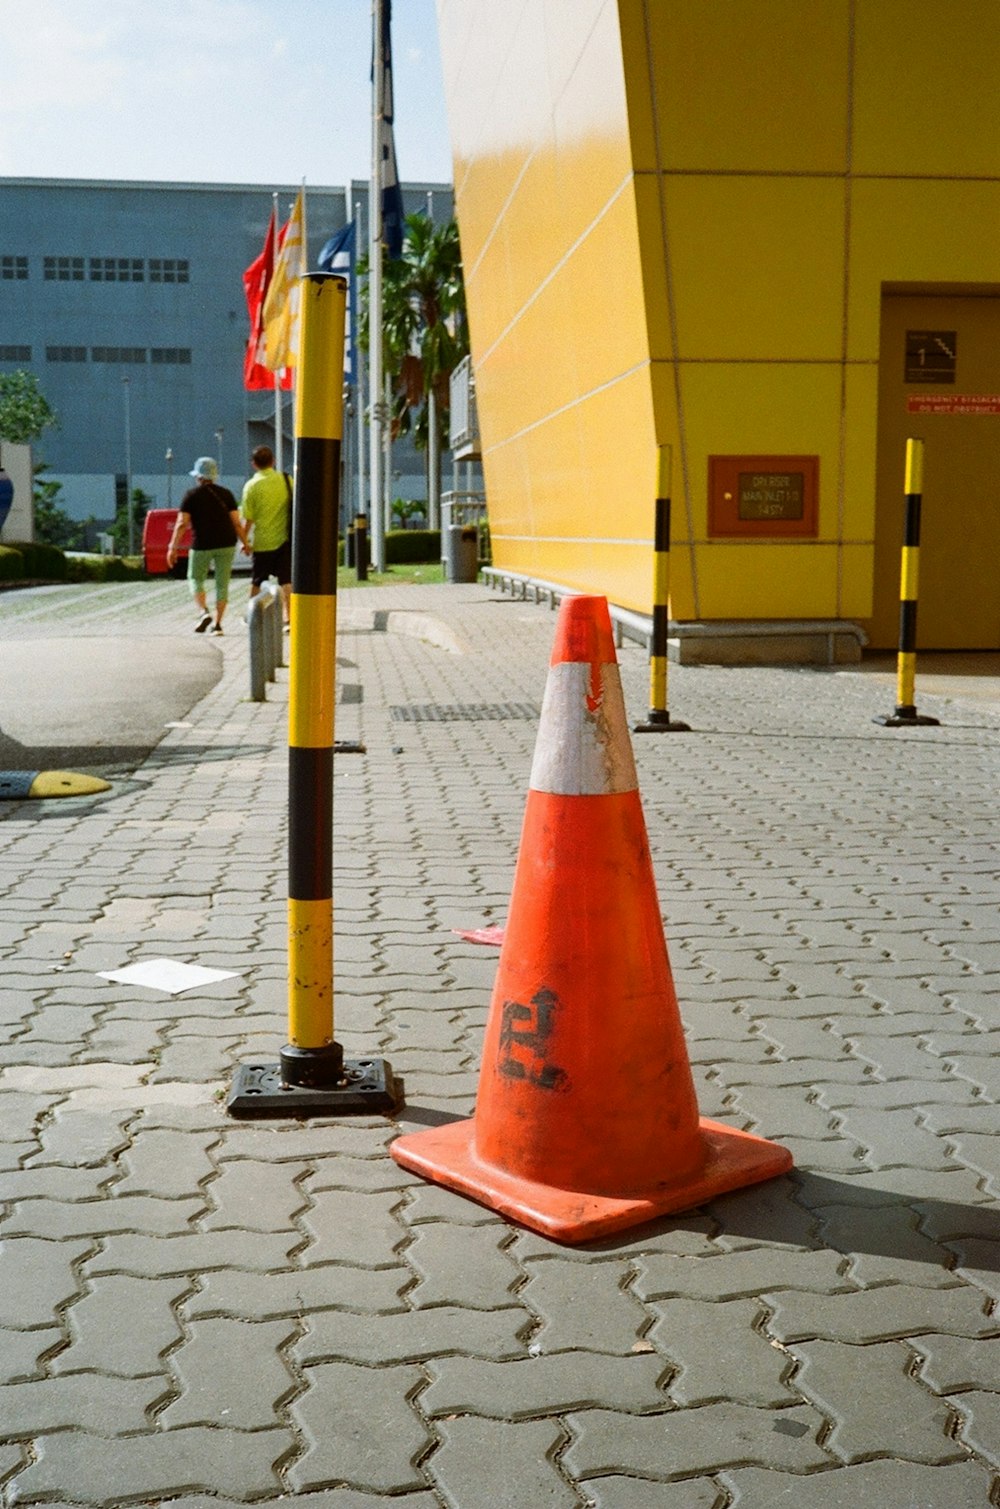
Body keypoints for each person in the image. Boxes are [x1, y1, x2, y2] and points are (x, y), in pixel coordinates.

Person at [166, 456, 248, 634]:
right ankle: (218, 625)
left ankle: (203, 612)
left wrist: (172, 547)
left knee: (195, 578)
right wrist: (246, 543)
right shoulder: (226, 494)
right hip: (226, 542)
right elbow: (236, 523)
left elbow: (181, 524)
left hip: (202, 543)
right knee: (222, 583)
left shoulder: (191, 495)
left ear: (198, 477)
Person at [240, 444, 292, 625]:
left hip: (262, 542)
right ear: (273, 461)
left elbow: (248, 519)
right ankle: (289, 618)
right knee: (286, 581)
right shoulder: (287, 480)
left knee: (256, 581)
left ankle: (251, 616)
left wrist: (244, 541)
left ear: (254, 464)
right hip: (284, 540)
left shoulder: (251, 486)